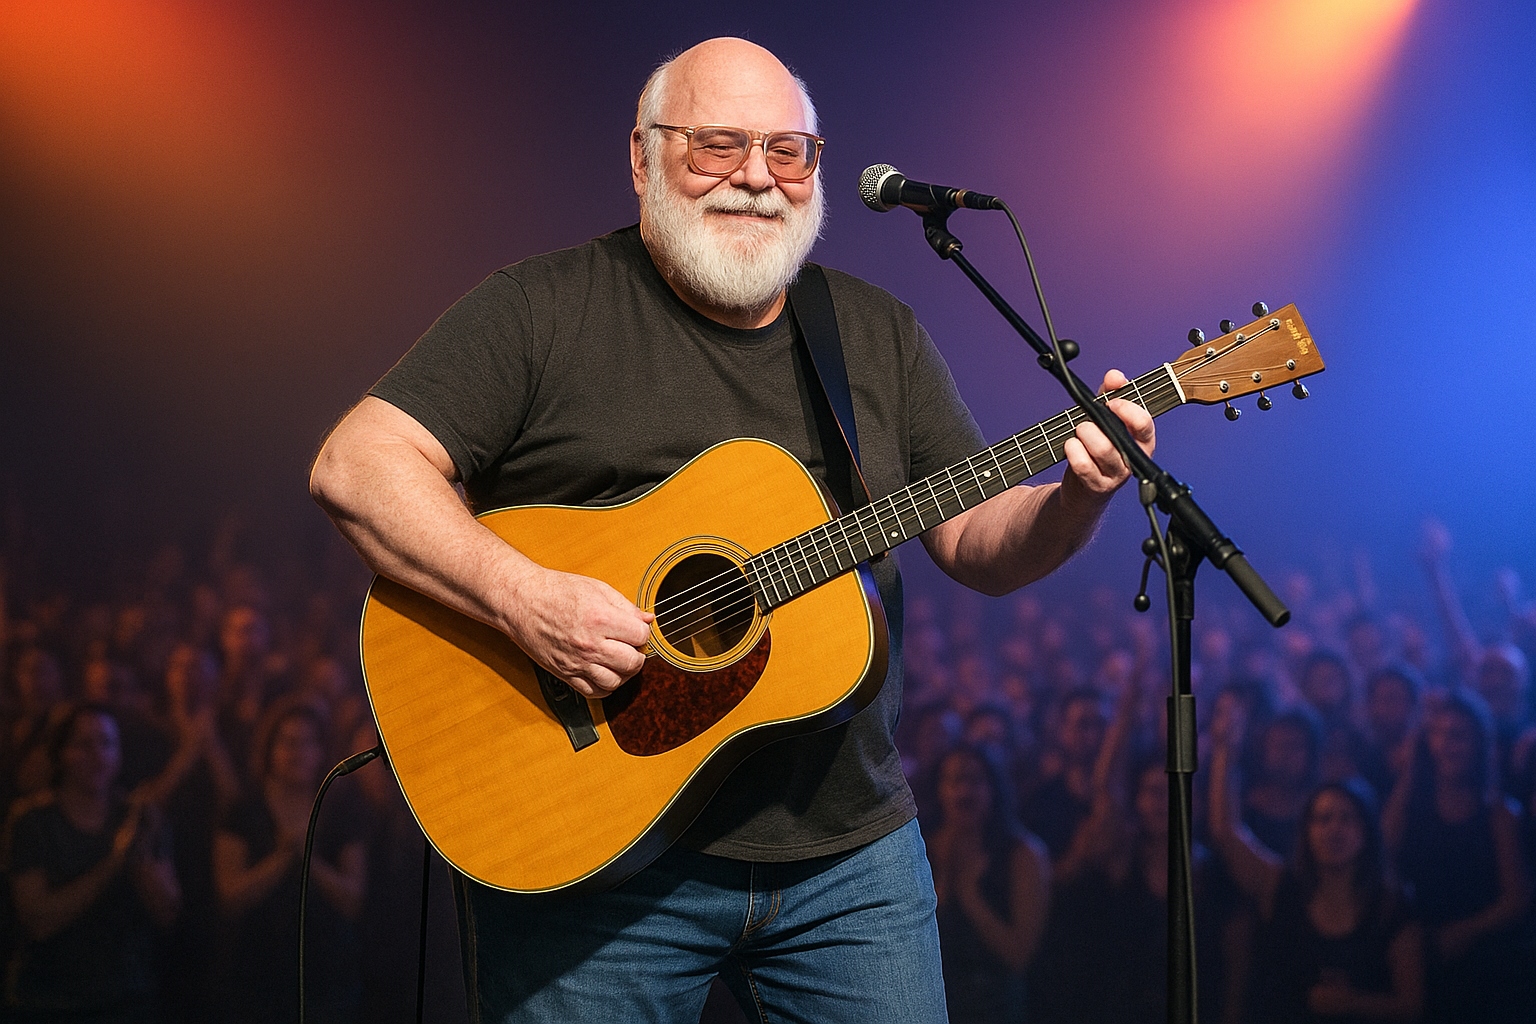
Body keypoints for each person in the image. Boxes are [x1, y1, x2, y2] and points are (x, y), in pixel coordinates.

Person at [308, 36, 1154, 1021]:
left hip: (851, 856)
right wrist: (525, 598)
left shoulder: (875, 335)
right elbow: (356, 466)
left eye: (788, 152)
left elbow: (973, 541)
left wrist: (1075, 497)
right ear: (641, 157)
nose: (758, 177)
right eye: (717, 144)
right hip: (597, 857)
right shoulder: (542, 311)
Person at [1209, 701, 1424, 1023]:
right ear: (1306, 831)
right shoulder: (1281, 886)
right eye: (1322, 819)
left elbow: (1413, 1006)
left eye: (1346, 819)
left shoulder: (1390, 905)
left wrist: (1352, 1003)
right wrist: (1226, 751)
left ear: (1367, 832)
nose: (1334, 829)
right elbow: (1226, 831)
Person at [4, 702, 182, 1023]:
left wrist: (139, 850)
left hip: (127, 998)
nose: (98, 755)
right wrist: (113, 863)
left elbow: (166, 911)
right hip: (49, 1002)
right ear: (61, 753)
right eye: (84, 745)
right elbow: (38, 921)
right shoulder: (32, 822)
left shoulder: (138, 818)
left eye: (107, 744)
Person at [211, 697, 367, 1024]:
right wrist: (281, 857)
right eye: (289, 742)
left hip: (328, 978)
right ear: (270, 748)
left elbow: (353, 899)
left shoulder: (341, 809)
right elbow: (229, 896)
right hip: (256, 975)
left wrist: (307, 859)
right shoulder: (244, 810)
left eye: (309, 742)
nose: (299, 752)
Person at [1382, 689, 1531, 1024]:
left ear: (1479, 744)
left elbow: (1517, 898)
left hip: (1489, 963)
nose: (1447, 745)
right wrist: (1409, 771)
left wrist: (1460, 933)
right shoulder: (1413, 809)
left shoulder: (1499, 816)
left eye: (1458, 736)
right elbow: (1383, 852)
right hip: (1422, 957)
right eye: (1438, 735)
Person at [928, 744, 1050, 1024]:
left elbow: (1019, 956)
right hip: (937, 1004)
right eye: (955, 780)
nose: (964, 791)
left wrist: (970, 895)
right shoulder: (922, 848)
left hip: (999, 1005)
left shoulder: (1023, 854)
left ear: (994, 787)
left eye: (975, 780)